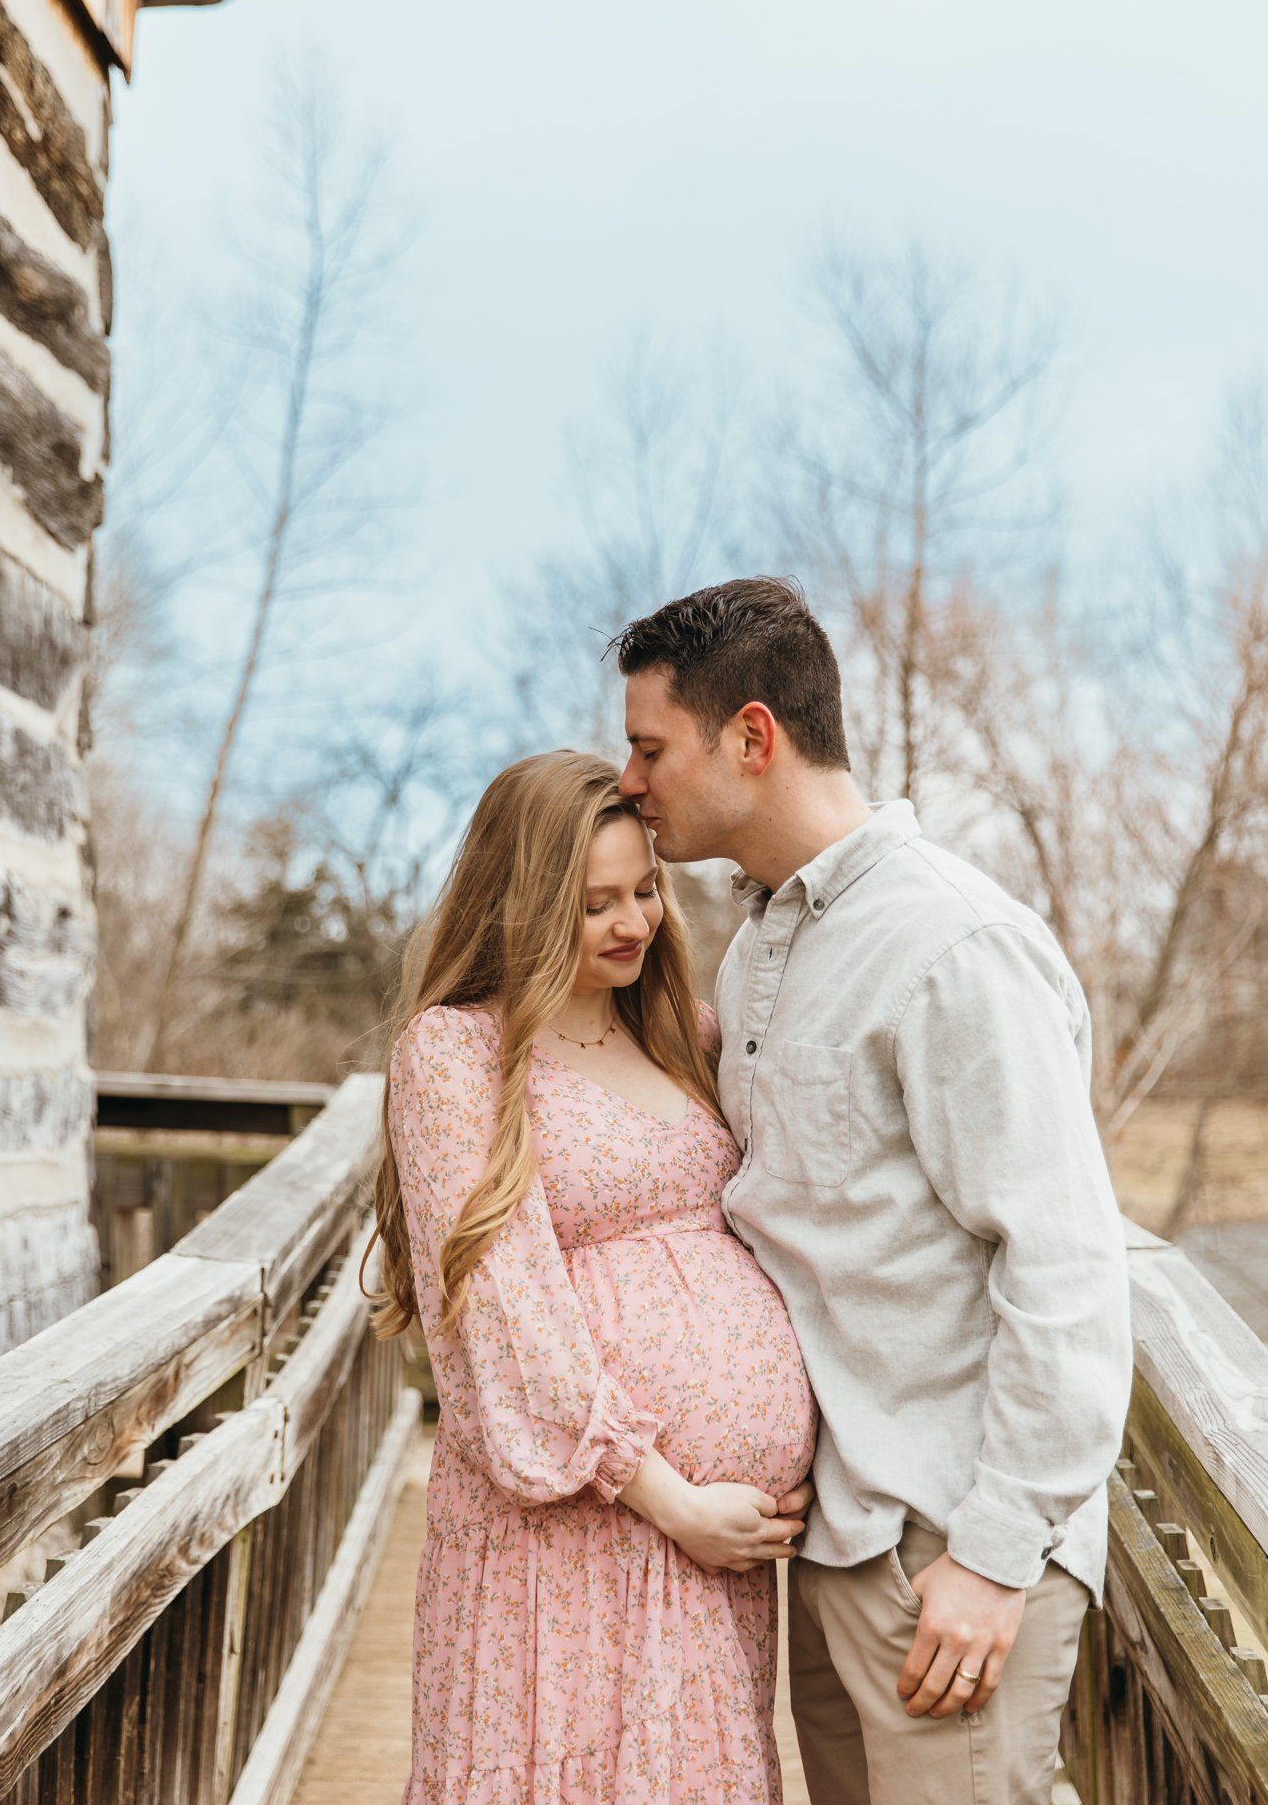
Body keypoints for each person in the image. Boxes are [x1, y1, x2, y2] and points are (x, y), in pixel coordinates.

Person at [613, 576, 1133, 1805]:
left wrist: (994, 1553)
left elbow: (1064, 1264)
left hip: (949, 1540)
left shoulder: (951, 945)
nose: (630, 780)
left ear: (751, 735)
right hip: (833, 1531)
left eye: (649, 748)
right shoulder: (761, 943)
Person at [363, 750, 819, 1805]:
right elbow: (500, 1312)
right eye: (592, 903)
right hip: (573, 1527)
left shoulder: (688, 1035)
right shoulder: (456, 1054)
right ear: (520, 905)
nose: (632, 923)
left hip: (711, 1544)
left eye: (644, 890)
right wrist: (668, 1496)